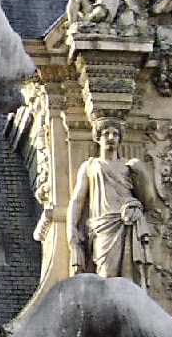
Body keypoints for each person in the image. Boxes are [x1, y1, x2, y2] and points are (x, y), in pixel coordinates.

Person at [66, 118, 156, 290]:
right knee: (105, 275)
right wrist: (71, 228)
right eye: (106, 133)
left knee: (130, 282)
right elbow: (77, 200)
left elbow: (149, 202)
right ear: (98, 137)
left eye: (115, 134)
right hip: (103, 227)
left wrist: (142, 174)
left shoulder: (129, 167)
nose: (111, 137)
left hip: (128, 223)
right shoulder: (90, 166)